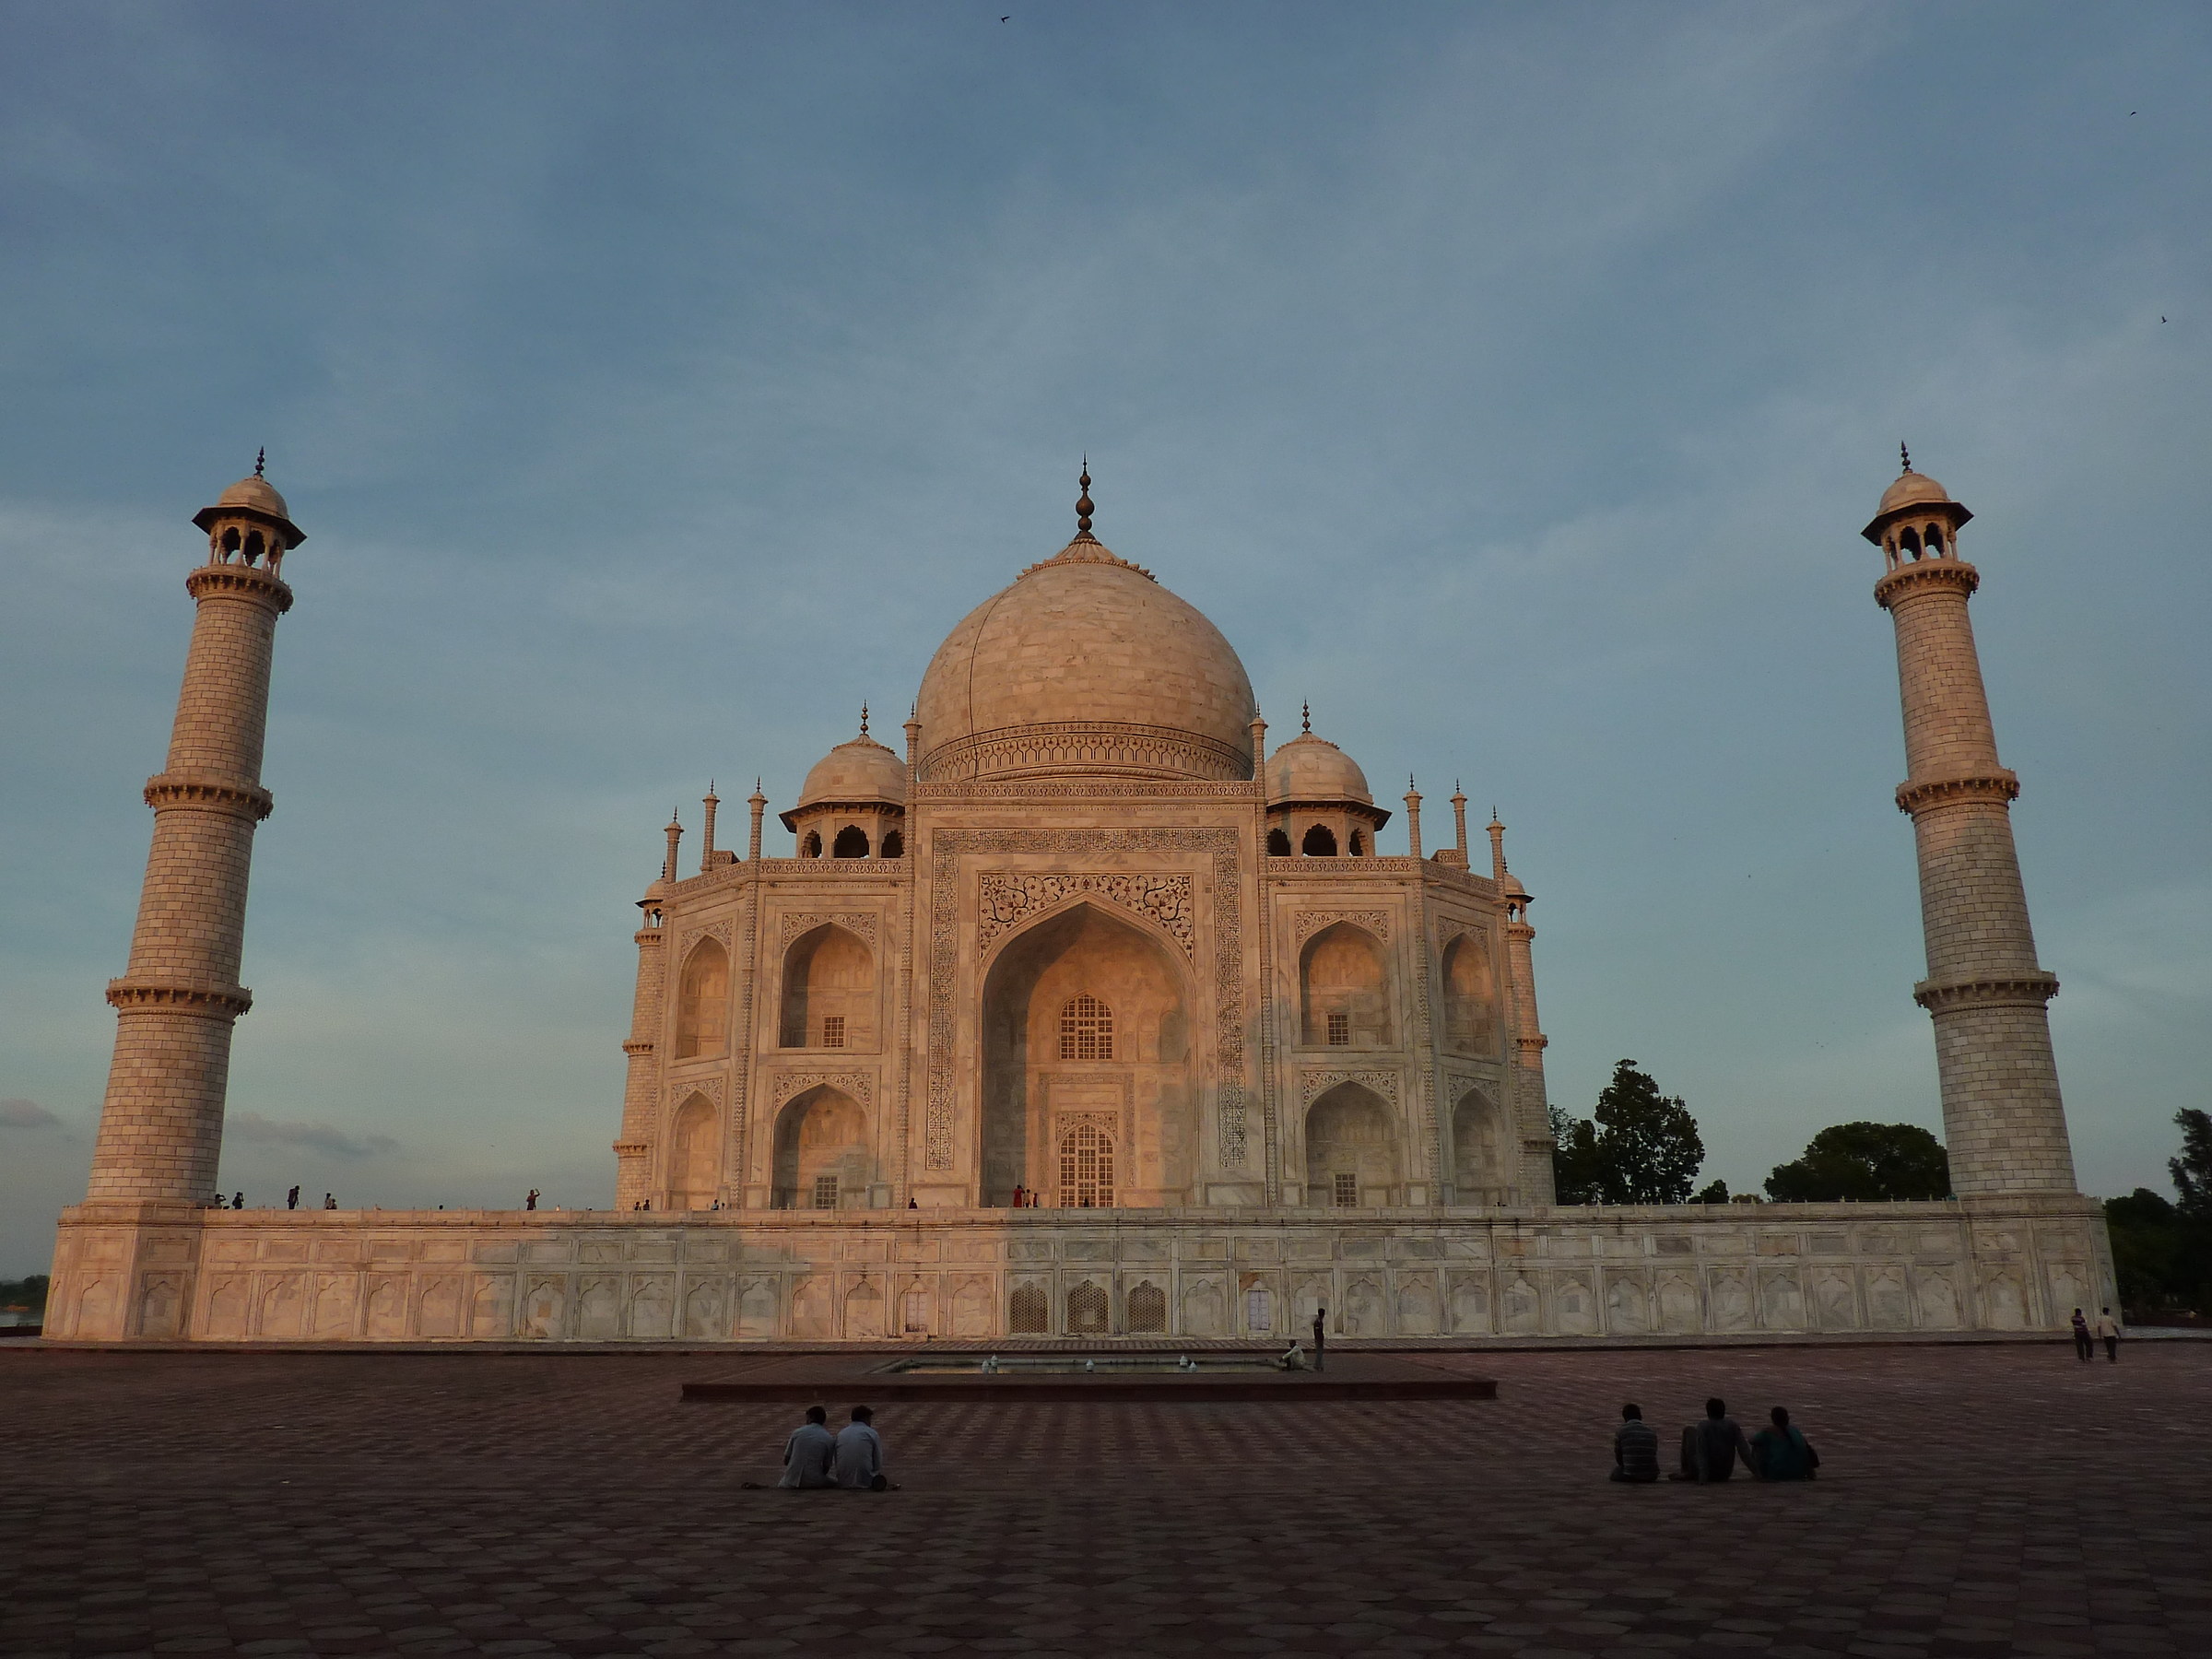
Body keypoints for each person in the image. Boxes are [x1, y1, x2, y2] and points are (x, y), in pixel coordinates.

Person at [1670, 1397, 1756, 1482]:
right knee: (1692, 1433)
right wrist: (1757, 1473)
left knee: (1688, 1431)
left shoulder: (1703, 1426)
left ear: (1708, 1412)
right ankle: (1689, 1473)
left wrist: (1703, 1478)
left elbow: (1702, 1453)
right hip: (1724, 1473)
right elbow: (1744, 1452)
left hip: (1706, 1473)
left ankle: (1686, 1472)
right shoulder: (1732, 1426)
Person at [774, 1406, 838, 1489]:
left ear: (811, 1418)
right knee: (836, 1483)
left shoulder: (797, 1432)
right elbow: (826, 1468)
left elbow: (786, 1461)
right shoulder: (828, 1438)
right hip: (814, 1481)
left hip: (790, 1481)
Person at [834, 1405, 895, 1490]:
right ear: (865, 1418)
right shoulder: (871, 1433)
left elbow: (837, 1460)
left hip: (843, 1481)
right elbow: (878, 1462)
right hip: (867, 1481)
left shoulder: (841, 1434)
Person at [1748, 1406, 1818, 1480]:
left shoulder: (1768, 1431)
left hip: (1777, 1474)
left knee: (1758, 1446)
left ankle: (1759, 1474)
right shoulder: (1795, 1430)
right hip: (1800, 1473)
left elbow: (1751, 1440)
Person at [1610, 1404, 1659, 1483]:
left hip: (1631, 1474)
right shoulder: (1651, 1431)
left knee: (1615, 1472)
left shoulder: (1621, 1431)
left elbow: (1619, 1456)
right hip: (1652, 1475)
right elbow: (1654, 1452)